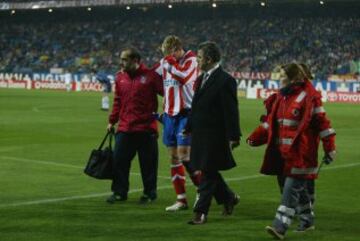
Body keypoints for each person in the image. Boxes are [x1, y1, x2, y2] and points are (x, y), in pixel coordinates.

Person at [247, 63, 336, 239]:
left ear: (293, 79)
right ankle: (307, 221)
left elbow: (323, 124)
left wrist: (330, 147)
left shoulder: (309, 98)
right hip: (282, 155)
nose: (278, 79)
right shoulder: (281, 97)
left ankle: (279, 227)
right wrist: (254, 138)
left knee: (290, 191)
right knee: (298, 190)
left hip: (301, 155)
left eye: (282, 76)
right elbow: (270, 124)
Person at [185, 41, 241, 225]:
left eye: (199, 57)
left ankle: (200, 212)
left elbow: (231, 110)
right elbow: (196, 106)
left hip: (215, 135)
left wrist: (234, 135)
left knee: (207, 174)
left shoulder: (226, 80)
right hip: (200, 133)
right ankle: (229, 197)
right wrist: (189, 125)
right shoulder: (201, 79)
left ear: (208, 59)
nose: (197, 61)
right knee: (209, 171)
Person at [106, 47, 163, 204]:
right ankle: (119, 192)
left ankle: (149, 194)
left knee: (148, 164)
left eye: (124, 59)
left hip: (146, 129)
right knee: (119, 161)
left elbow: (167, 93)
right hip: (125, 127)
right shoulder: (120, 78)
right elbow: (118, 101)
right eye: (121, 59)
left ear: (135, 60)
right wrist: (112, 121)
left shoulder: (151, 77)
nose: (121, 62)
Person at [154, 35, 201, 211]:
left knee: (185, 156)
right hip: (170, 116)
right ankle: (181, 199)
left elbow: (183, 77)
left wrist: (168, 61)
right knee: (174, 158)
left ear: (177, 49)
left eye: (169, 53)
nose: (167, 56)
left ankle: (201, 191)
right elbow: (152, 76)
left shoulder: (192, 60)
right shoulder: (166, 62)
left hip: (186, 114)